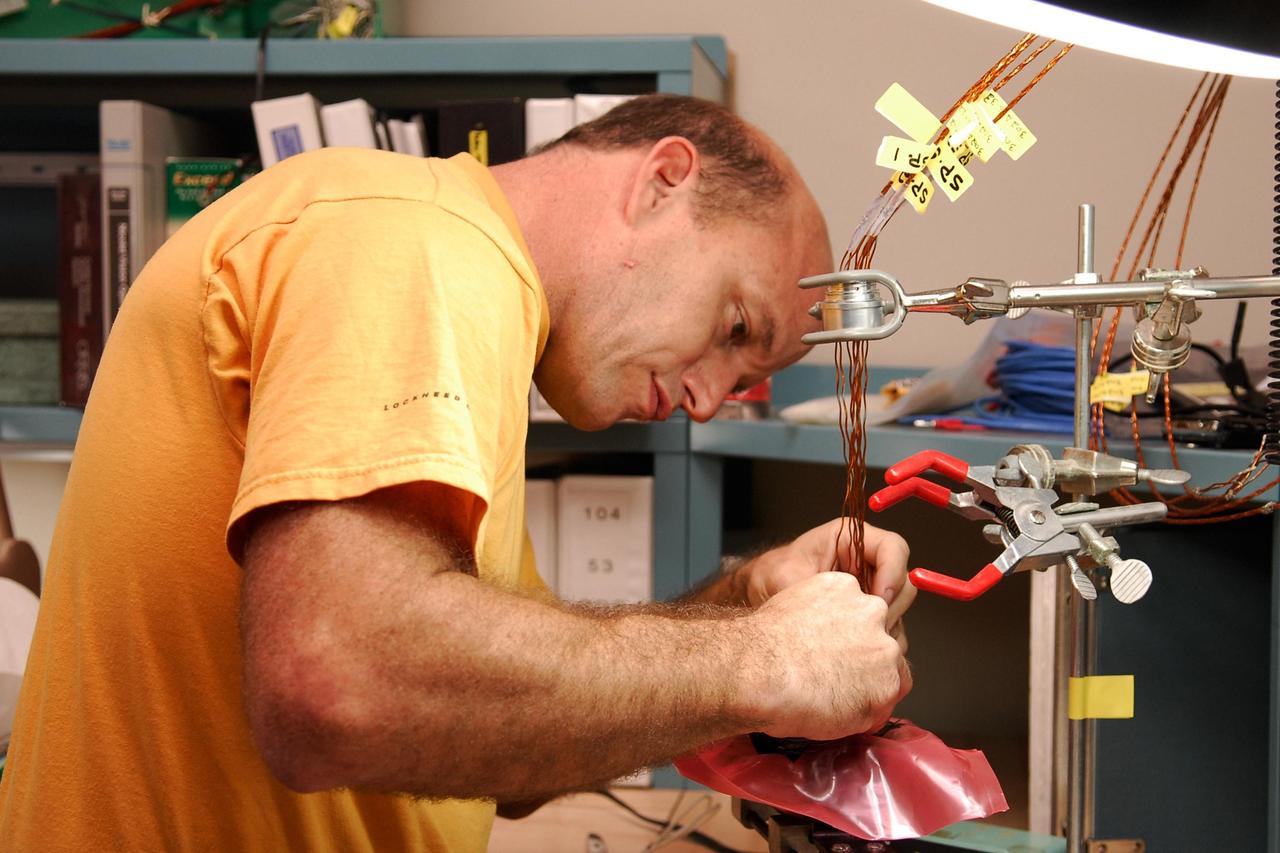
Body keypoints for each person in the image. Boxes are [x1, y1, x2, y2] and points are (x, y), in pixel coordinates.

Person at [0, 94, 915, 851]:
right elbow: (337, 685)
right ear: (663, 182)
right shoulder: (413, 241)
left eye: (747, 381)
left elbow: (498, 731)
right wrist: (765, 659)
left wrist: (745, 602)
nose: (712, 398)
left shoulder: (466, 314)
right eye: (734, 328)